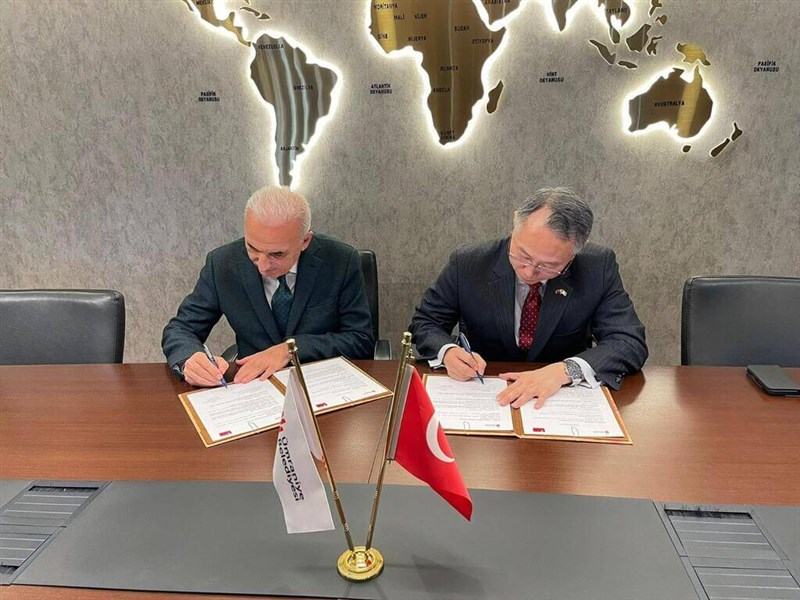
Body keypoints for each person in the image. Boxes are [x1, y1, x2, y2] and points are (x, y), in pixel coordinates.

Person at [410, 187, 647, 408]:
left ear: (574, 254)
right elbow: (426, 322)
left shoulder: (597, 266)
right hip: (483, 394)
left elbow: (628, 341)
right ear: (515, 225)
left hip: (558, 400)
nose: (530, 271)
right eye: (522, 255)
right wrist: (448, 352)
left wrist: (566, 370)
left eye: (549, 266)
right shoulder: (469, 263)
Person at [162, 186, 374, 387]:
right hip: (255, 388)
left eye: (277, 254)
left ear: (305, 241)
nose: (263, 265)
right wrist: (189, 358)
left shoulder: (340, 260)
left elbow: (360, 340)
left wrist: (289, 350)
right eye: (252, 248)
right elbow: (181, 329)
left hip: (322, 384)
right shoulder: (223, 264)